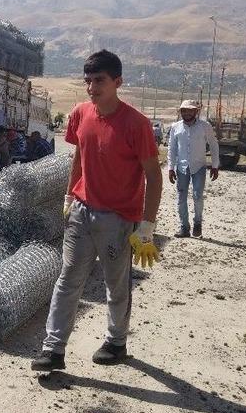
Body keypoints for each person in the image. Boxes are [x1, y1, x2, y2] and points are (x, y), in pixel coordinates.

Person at [31, 49, 163, 371]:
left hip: (118, 220)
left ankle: (116, 342)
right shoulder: (80, 113)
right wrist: (67, 196)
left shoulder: (137, 124)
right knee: (68, 280)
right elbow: (79, 156)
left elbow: (153, 175)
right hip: (81, 212)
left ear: (117, 81)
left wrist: (146, 227)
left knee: (115, 285)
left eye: (99, 81)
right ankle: (53, 349)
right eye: (88, 81)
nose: (92, 88)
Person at [167, 100, 220, 238]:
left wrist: (215, 165)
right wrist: (171, 168)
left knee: (197, 196)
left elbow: (213, 145)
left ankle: (197, 223)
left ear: (196, 112)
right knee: (181, 198)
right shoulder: (175, 127)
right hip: (182, 167)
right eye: (184, 111)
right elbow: (172, 149)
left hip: (199, 166)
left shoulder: (205, 126)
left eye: (190, 110)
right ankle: (184, 227)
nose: (187, 113)